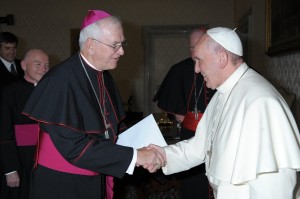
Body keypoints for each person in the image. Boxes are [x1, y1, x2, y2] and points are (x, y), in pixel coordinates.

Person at [22, 10, 165, 199]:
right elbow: (74, 147)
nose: (121, 51)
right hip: (62, 183)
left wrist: (146, 146)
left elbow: (111, 125)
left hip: (95, 172)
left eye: (122, 44)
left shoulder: (103, 75)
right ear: (91, 45)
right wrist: (135, 156)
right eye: (115, 45)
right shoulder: (60, 81)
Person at [149, 27, 300, 199]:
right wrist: (160, 155)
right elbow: (199, 147)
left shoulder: (260, 102)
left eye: (199, 60)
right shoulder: (224, 92)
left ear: (221, 58)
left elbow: (275, 188)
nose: (196, 69)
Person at [152, 28, 215, 198]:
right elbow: (169, 104)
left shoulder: (220, 69)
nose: (194, 52)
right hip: (190, 135)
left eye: (198, 46)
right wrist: (177, 115)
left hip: (217, 137)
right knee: (193, 183)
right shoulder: (180, 69)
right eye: (191, 47)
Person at [0, 49, 49, 199]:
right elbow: (3, 133)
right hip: (20, 158)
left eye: (46, 65)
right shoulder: (9, 92)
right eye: (38, 64)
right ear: (23, 65)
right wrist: (10, 169)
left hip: (48, 158)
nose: (43, 68)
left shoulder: (53, 90)